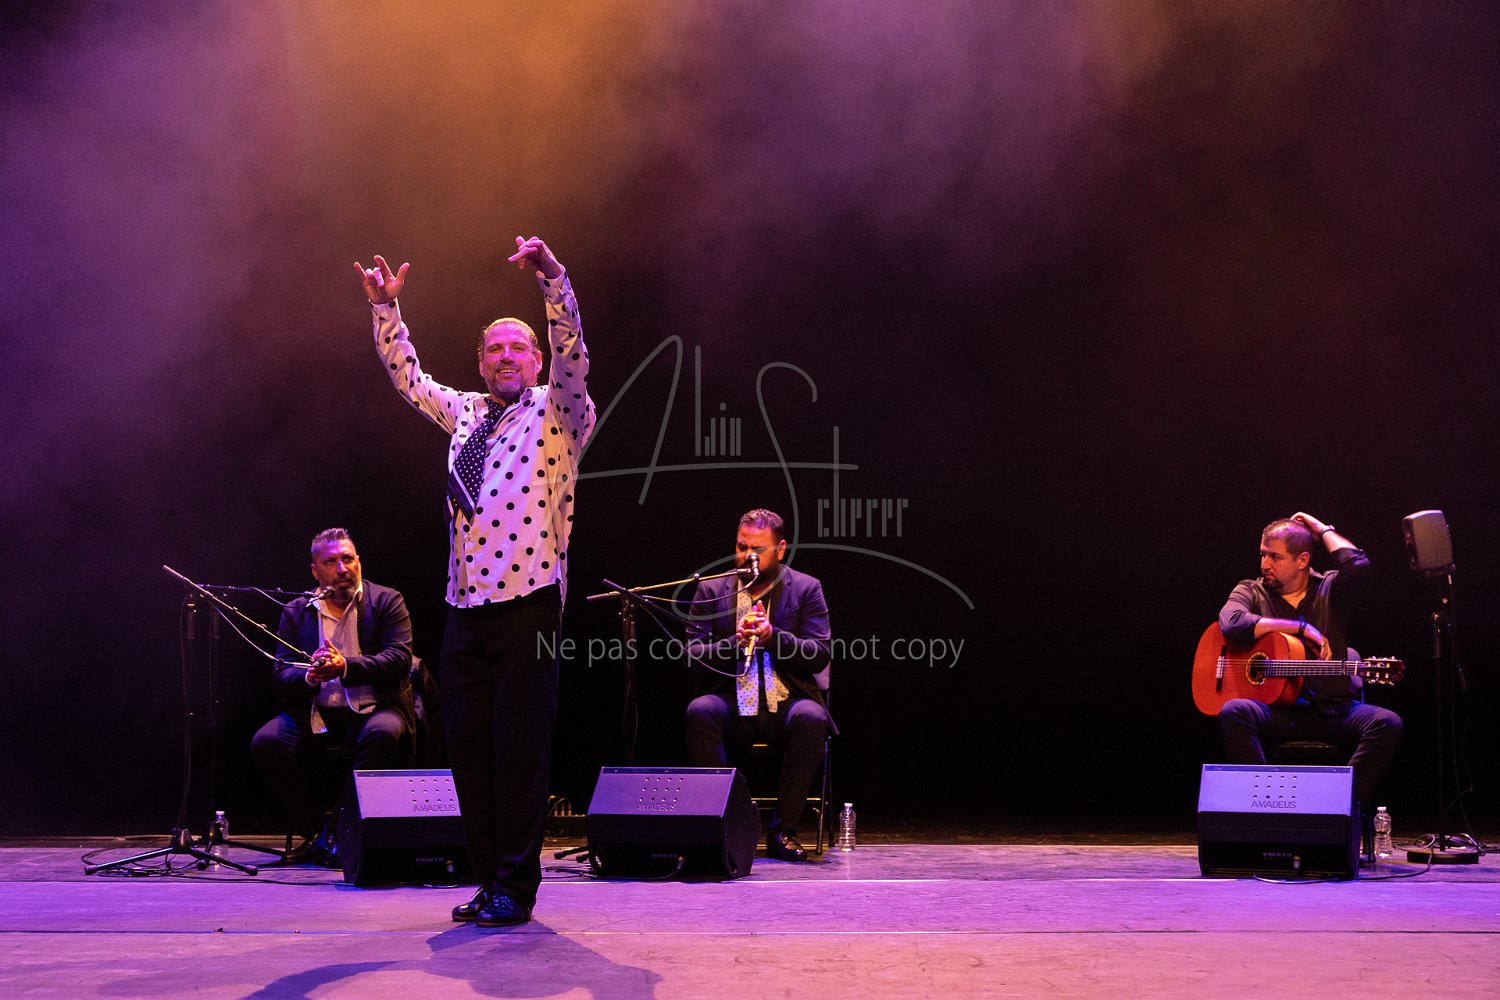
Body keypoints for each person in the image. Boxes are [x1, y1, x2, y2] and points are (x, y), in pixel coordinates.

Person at [355, 237, 594, 927]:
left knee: (519, 754)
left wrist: (553, 280)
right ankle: (490, 880)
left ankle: (516, 887)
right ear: (481, 362)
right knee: (468, 754)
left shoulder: (559, 411)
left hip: (528, 605)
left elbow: (575, 353)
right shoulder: (465, 412)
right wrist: (387, 312)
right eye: (495, 349)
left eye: (519, 348)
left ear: (538, 361)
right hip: (464, 608)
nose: (507, 357)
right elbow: (409, 379)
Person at [1217, 512, 1402, 814]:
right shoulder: (1251, 590)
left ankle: (1340, 810)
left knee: (1387, 723)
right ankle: (1265, 811)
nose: (1264, 564)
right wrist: (1299, 628)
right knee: (1234, 711)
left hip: (1334, 713)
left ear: (1302, 560)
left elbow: (1358, 566)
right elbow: (1231, 621)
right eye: (1263, 554)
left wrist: (1322, 529)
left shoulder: (1330, 588)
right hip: (1277, 713)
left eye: (1275, 557)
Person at [251, 528, 414, 865]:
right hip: (318, 712)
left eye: (348, 559)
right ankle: (319, 833)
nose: (342, 568)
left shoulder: (386, 600)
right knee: (266, 743)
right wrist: (309, 676)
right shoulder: (297, 610)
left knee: (384, 734)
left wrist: (346, 666)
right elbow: (281, 672)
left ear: (359, 562)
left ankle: (337, 834)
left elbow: (399, 659)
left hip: (373, 707)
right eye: (331, 562)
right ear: (315, 571)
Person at [685, 508, 833, 862]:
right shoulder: (710, 589)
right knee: (700, 710)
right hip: (731, 701)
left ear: (780, 549)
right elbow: (692, 656)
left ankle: (783, 831)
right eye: (741, 547)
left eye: (758, 549)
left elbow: (819, 654)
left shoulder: (806, 588)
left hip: (786, 701)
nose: (748, 556)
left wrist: (773, 637)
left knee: (812, 717)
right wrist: (736, 643)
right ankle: (724, 826)